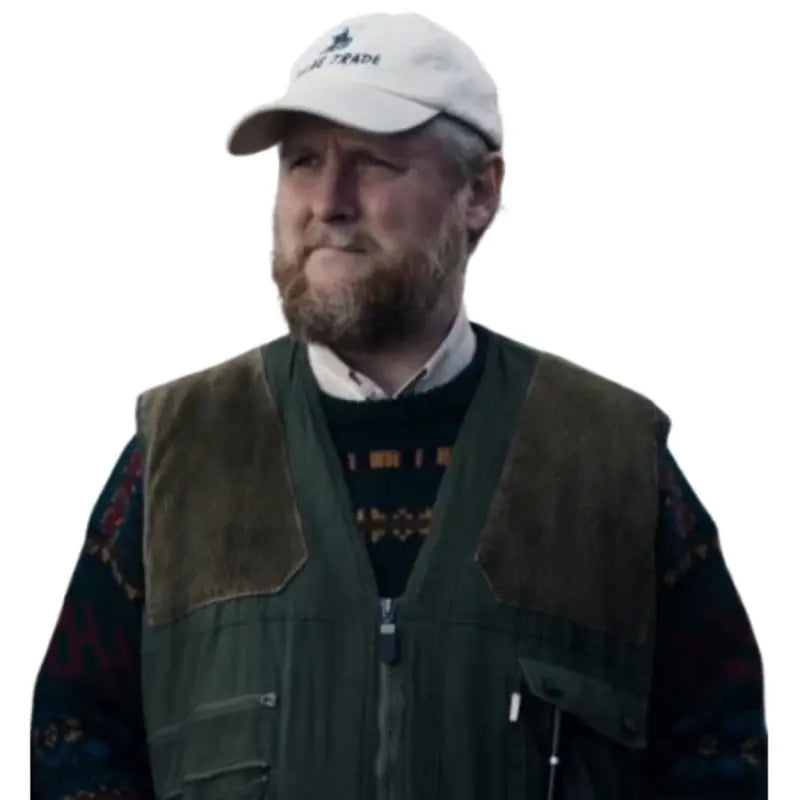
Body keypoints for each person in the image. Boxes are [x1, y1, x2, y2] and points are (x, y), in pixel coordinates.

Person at [30, 11, 767, 800]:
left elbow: (719, 739)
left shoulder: (611, 459)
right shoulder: (177, 454)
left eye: (373, 162)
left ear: (479, 191)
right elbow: (75, 729)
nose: (328, 202)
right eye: (303, 162)